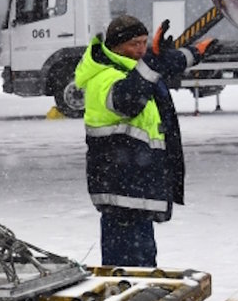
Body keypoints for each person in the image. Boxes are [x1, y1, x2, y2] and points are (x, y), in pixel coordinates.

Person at [74, 15, 216, 267]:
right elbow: (129, 99)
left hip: (135, 184)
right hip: (120, 186)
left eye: (144, 42)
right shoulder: (103, 76)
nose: (141, 50)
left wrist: (191, 54)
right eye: (134, 44)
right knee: (126, 266)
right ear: (116, 46)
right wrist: (153, 61)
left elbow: (157, 70)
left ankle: (138, 296)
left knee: (142, 260)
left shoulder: (132, 69)